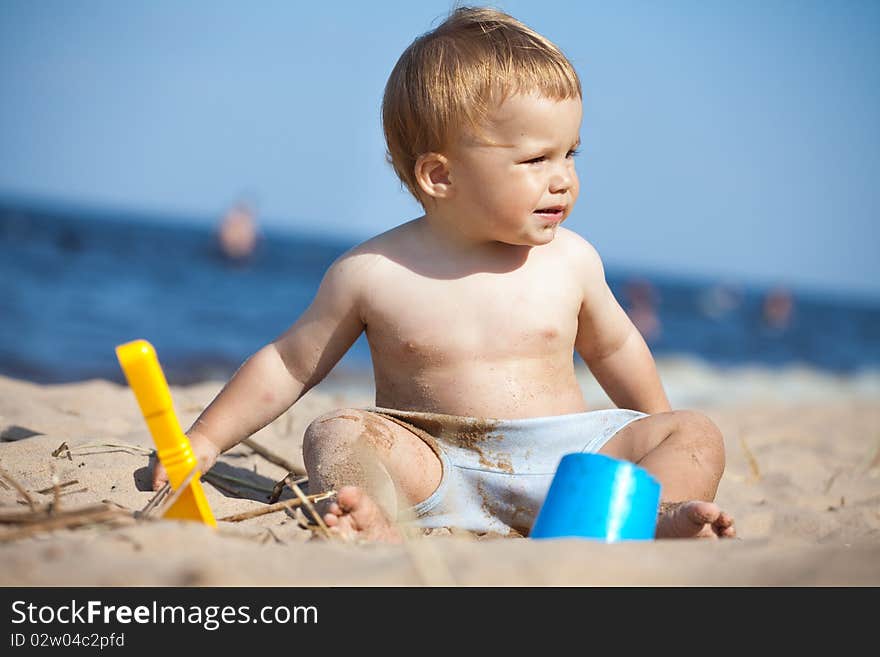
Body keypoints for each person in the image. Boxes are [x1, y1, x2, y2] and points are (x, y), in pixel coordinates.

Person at [154, 7, 735, 542]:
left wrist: (654, 426)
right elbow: (288, 363)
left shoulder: (572, 259)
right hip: (434, 461)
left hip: (569, 468)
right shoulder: (373, 272)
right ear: (440, 176)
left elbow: (616, 347)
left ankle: (642, 517)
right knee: (334, 433)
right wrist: (204, 440)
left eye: (570, 153)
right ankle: (378, 515)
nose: (563, 179)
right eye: (536, 159)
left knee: (692, 432)